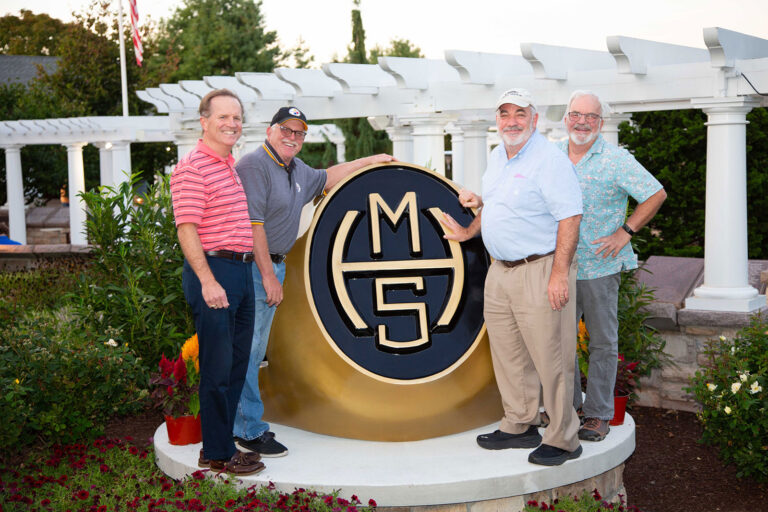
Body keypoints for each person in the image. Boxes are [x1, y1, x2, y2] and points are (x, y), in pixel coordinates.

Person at [232, 106, 396, 456]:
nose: (292, 137)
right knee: (247, 350)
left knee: (254, 349)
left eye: (299, 133)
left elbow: (327, 176)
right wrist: (266, 275)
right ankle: (248, 430)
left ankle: (243, 422)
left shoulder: (295, 169)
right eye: (286, 130)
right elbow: (253, 226)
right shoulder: (254, 165)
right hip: (254, 268)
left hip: (272, 267)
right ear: (270, 131)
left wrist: (370, 160)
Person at [441, 89, 584, 466]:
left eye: (520, 113)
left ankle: (564, 437)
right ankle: (520, 424)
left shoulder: (549, 160)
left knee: (552, 356)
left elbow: (570, 217)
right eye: (505, 114)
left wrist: (558, 276)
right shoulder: (497, 156)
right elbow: (497, 206)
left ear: (534, 119)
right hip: (500, 271)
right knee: (509, 354)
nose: (512, 121)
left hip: (540, 269)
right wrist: (469, 231)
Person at [559, 91, 666, 442]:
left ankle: (599, 414)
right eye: (576, 114)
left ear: (601, 123)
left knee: (603, 342)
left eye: (591, 116)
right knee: (560, 341)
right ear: (566, 118)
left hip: (599, 266)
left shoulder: (616, 159)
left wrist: (625, 232)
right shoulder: (551, 157)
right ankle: (569, 408)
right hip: (558, 266)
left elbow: (655, 193)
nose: (582, 122)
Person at [170, 88, 264, 475]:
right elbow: (187, 229)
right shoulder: (192, 167)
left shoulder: (227, 165)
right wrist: (208, 281)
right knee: (217, 367)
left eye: (237, 117)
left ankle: (217, 447)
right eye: (223, 117)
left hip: (240, 273)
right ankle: (220, 454)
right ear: (204, 121)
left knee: (236, 366)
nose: (232, 124)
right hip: (215, 273)